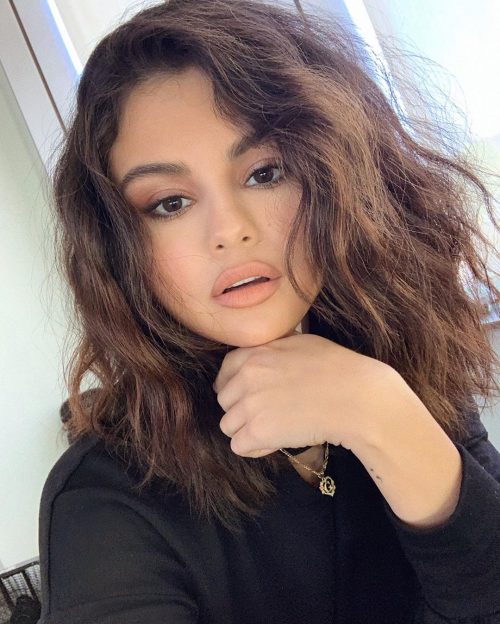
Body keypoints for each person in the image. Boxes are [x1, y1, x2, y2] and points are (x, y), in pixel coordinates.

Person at [38, 0, 500, 622]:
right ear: (119, 247)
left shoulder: (404, 363)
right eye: (170, 203)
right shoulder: (104, 503)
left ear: (336, 176)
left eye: (265, 173)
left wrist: (385, 420)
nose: (230, 231)